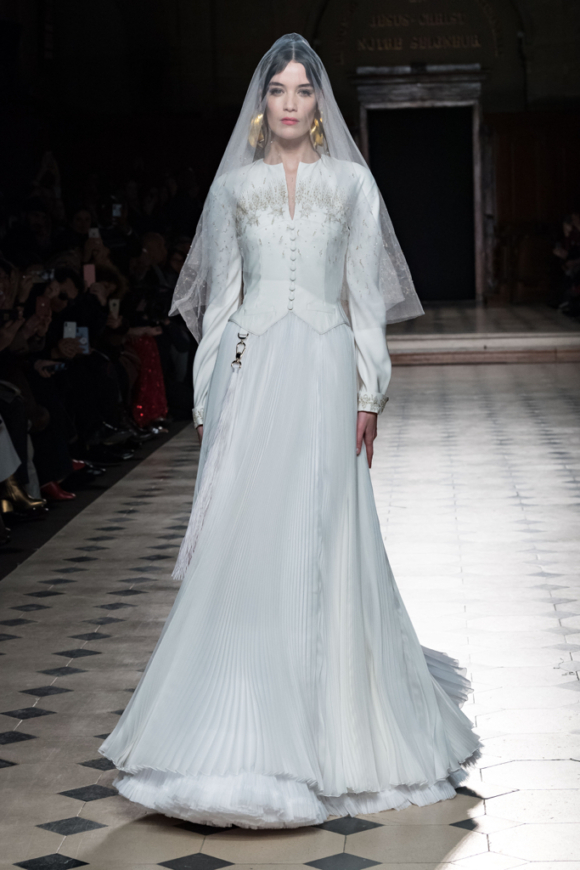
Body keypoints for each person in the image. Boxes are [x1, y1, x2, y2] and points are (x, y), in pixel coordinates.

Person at [98, 34, 482, 829]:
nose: (291, 103)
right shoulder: (235, 190)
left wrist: (370, 390)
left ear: (319, 106)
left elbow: (364, 296)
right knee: (252, 534)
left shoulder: (351, 185)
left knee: (327, 532)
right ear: (262, 104)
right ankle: (241, 720)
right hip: (257, 369)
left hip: (328, 368)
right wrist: (209, 401)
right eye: (279, 90)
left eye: (304, 91)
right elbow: (222, 304)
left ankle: (336, 723)